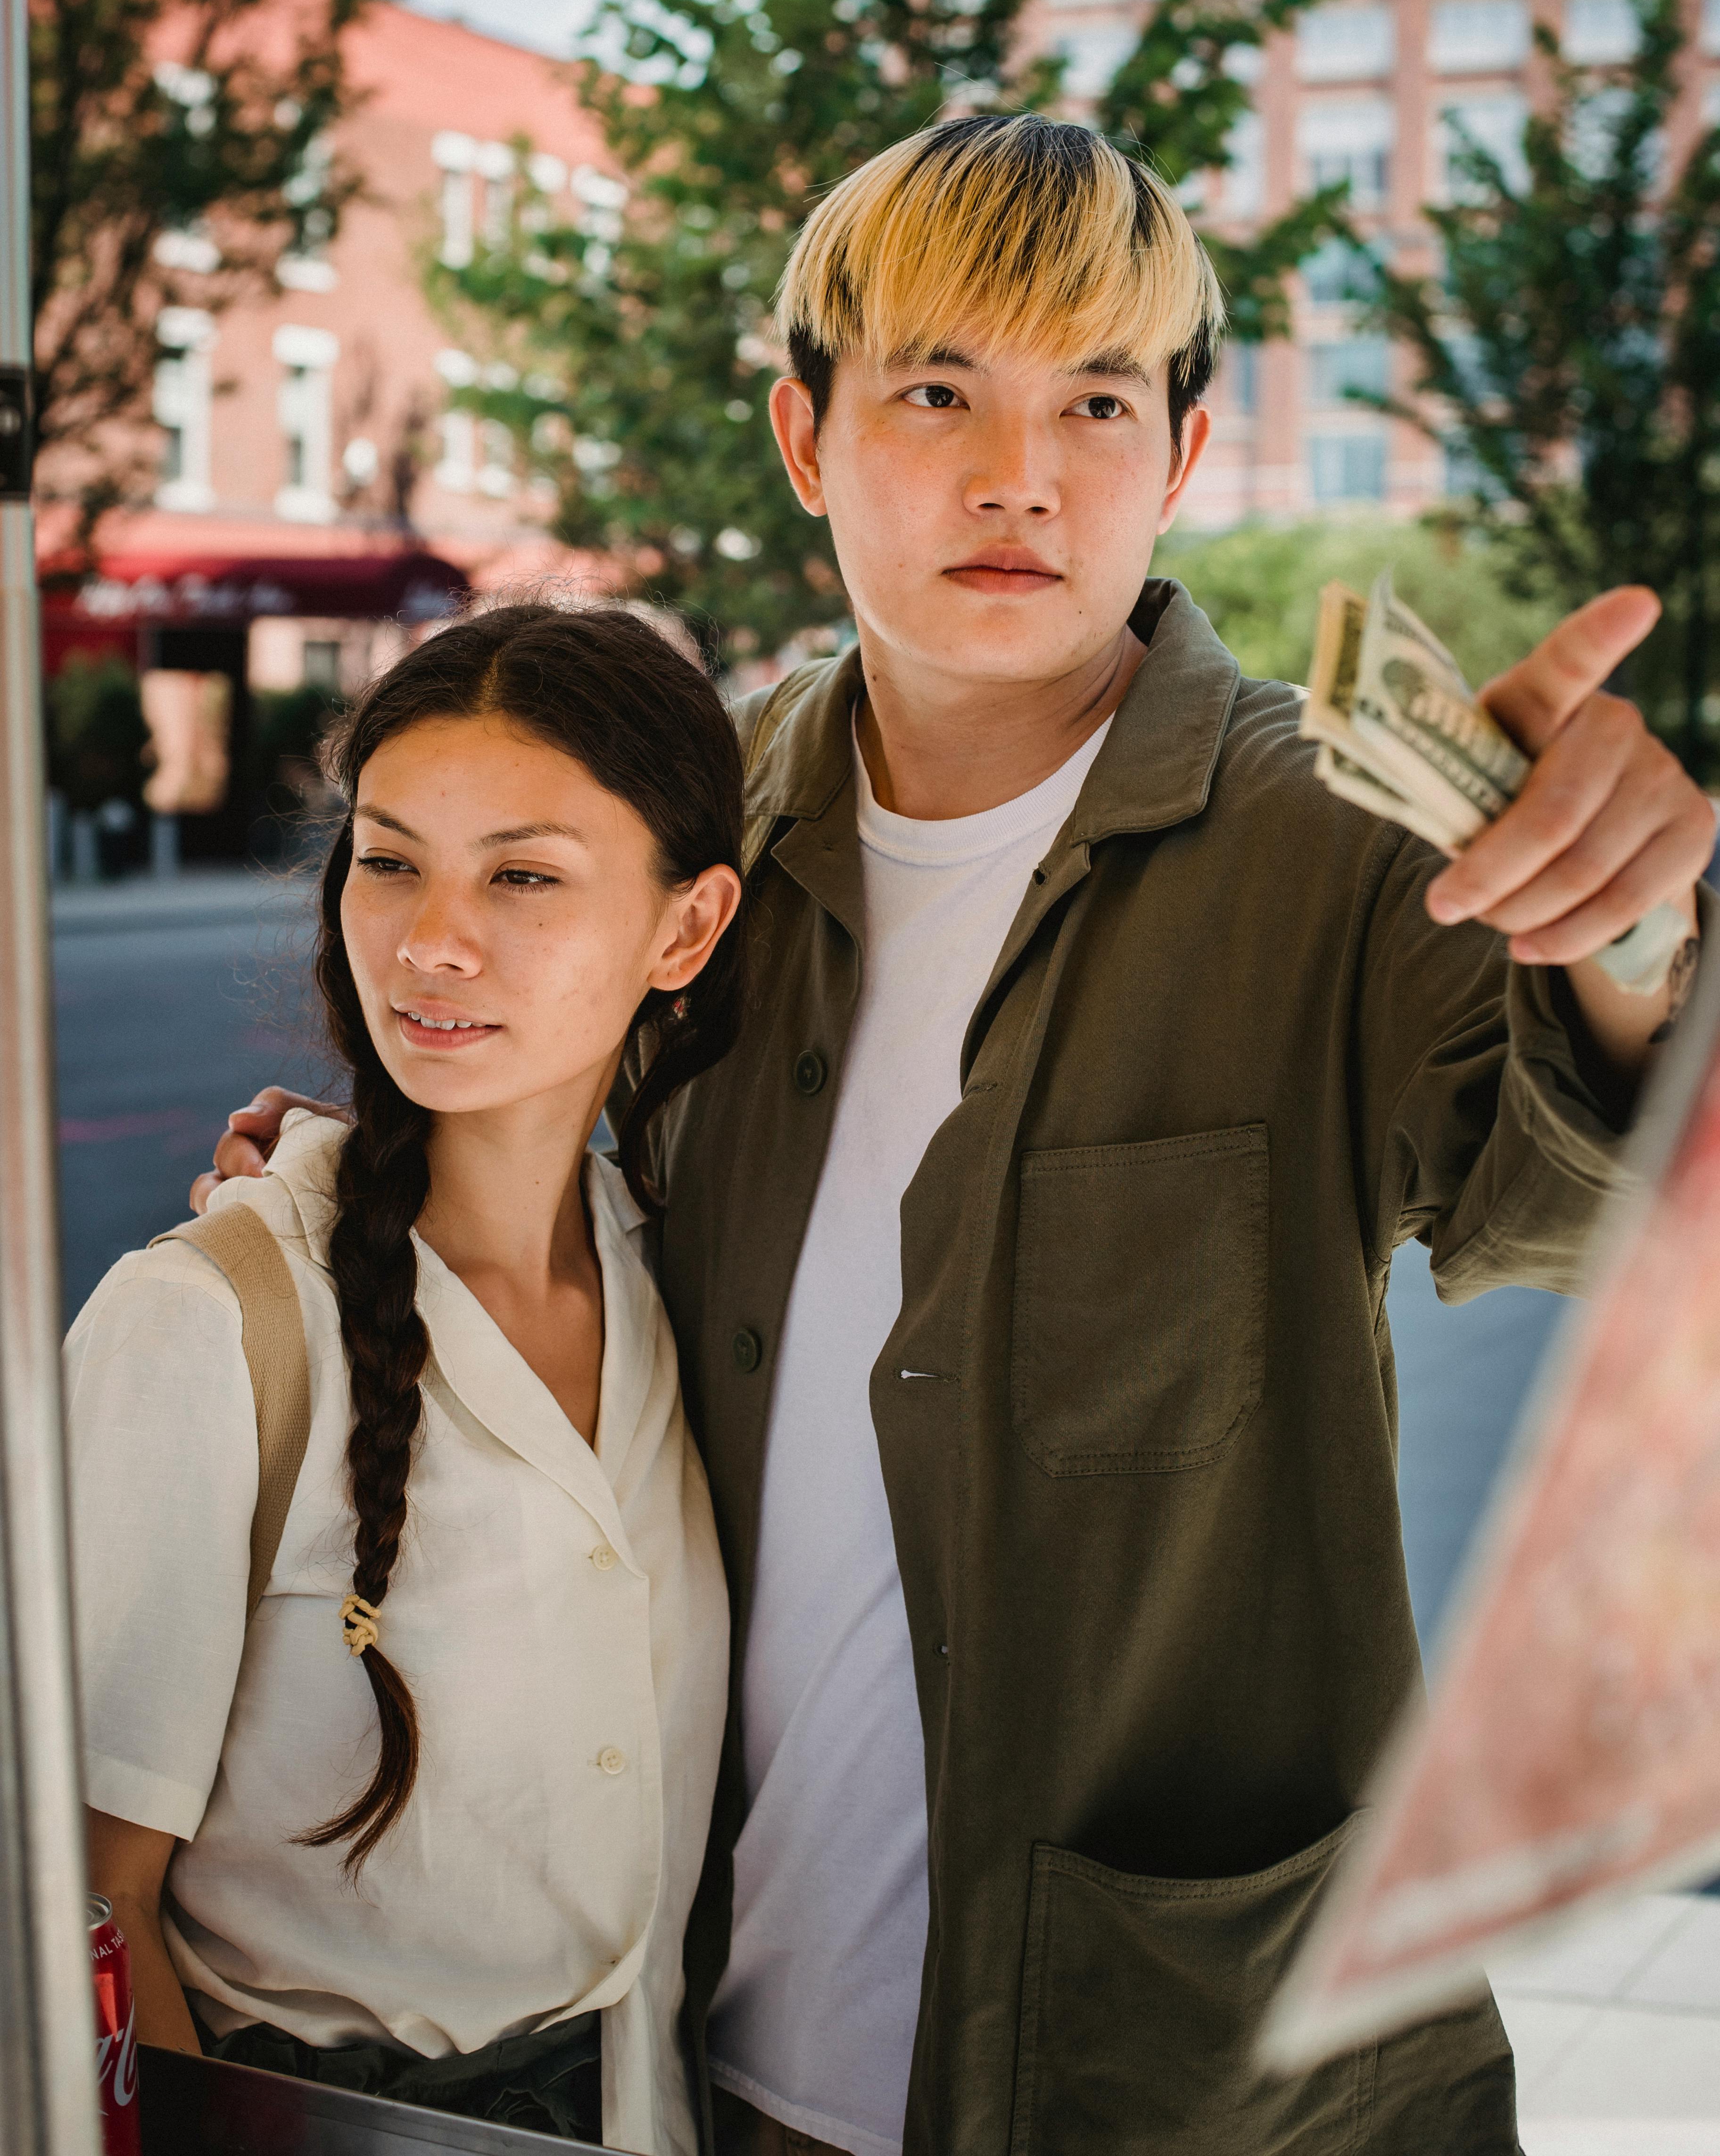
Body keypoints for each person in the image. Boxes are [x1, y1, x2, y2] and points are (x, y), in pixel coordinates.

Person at [202, 114, 1714, 2156]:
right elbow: (556, 1204)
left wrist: (1624, 940)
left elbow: (1607, 1217)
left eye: (1097, 399)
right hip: (705, 2048)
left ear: (1182, 461)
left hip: (1195, 2082)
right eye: (938, 390)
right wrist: (361, 1180)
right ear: (806, 436)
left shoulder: (1330, 841)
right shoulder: (701, 828)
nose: (1021, 474)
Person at [73, 603, 744, 2155]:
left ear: (686, 930)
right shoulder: (205, 1325)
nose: (433, 941)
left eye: (521, 875)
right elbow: (79, 1901)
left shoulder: (681, 1282)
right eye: (390, 860)